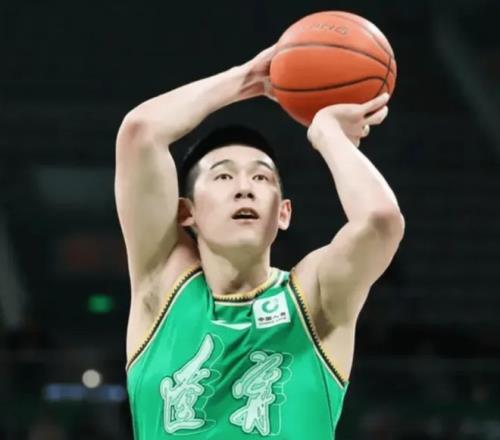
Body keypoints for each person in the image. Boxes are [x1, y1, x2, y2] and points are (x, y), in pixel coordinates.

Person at [115, 44, 404, 439]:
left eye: (261, 177)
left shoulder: (314, 299)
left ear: (283, 213)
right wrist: (248, 77)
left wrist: (327, 134)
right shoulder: (162, 289)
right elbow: (140, 132)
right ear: (186, 212)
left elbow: (381, 220)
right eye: (223, 176)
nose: (244, 188)